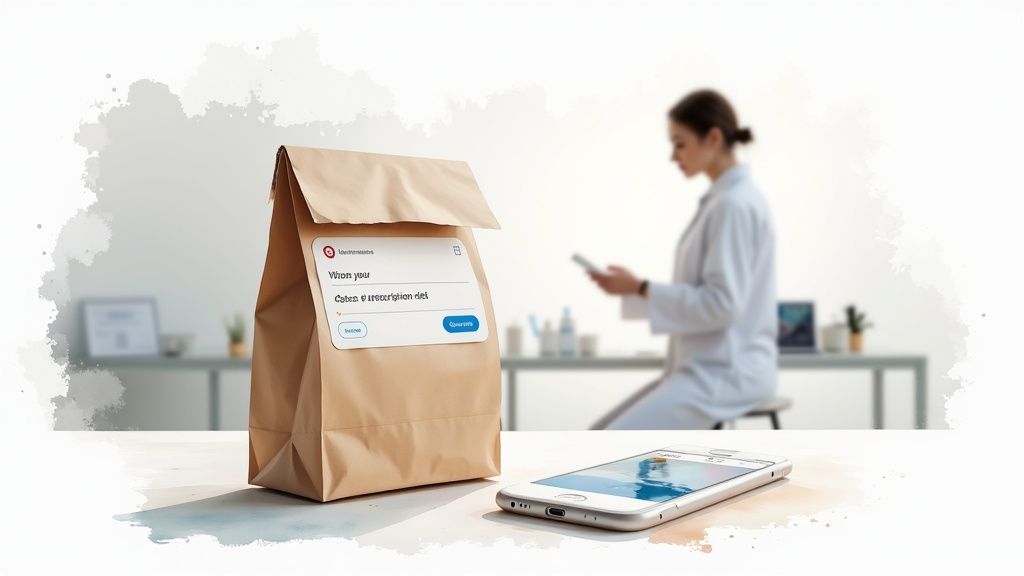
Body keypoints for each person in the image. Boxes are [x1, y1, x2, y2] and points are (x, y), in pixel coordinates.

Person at [587, 89, 777, 430]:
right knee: (598, 435)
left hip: (726, 372)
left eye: (679, 142)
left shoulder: (733, 205)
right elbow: (709, 297)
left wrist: (642, 287)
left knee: (605, 444)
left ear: (713, 138)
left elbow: (722, 305)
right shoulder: (724, 201)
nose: (673, 156)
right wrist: (632, 289)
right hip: (709, 366)